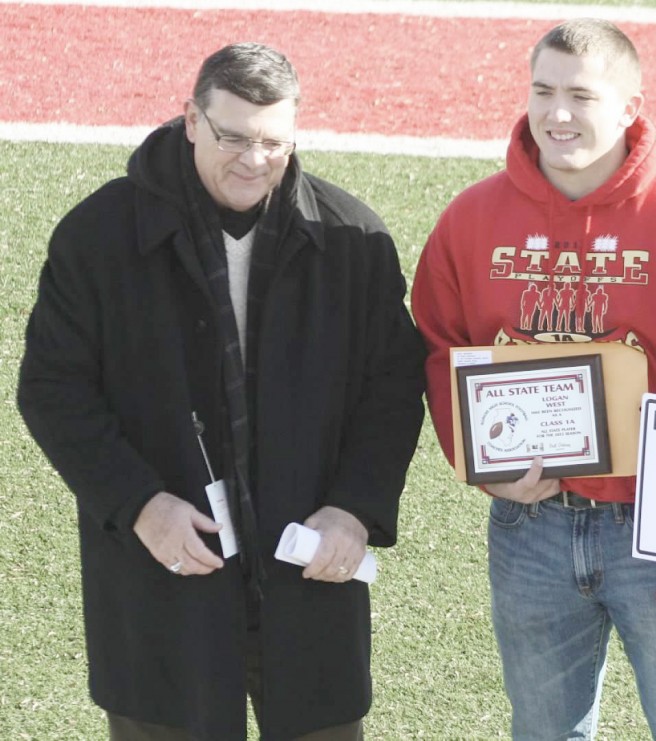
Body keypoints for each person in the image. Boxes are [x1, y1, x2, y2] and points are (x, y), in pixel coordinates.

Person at [17, 42, 425, 740]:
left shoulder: (354, 237)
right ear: (191, 119)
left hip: (306, 568)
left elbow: (393, 388)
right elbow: (53, 388)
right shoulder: (97, 236)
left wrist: (354, 510)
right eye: (232, 135)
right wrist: (139, 503)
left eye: (274, 141)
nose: (254, 158)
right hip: (165, 565)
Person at [412, 18, 656, 740]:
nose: (558, 113)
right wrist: (486, 468)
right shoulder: (472, 217)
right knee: (544, 731)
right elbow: (439, 347)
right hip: (529, 525)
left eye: (581, 94)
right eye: (543, 91)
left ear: (631, 107)